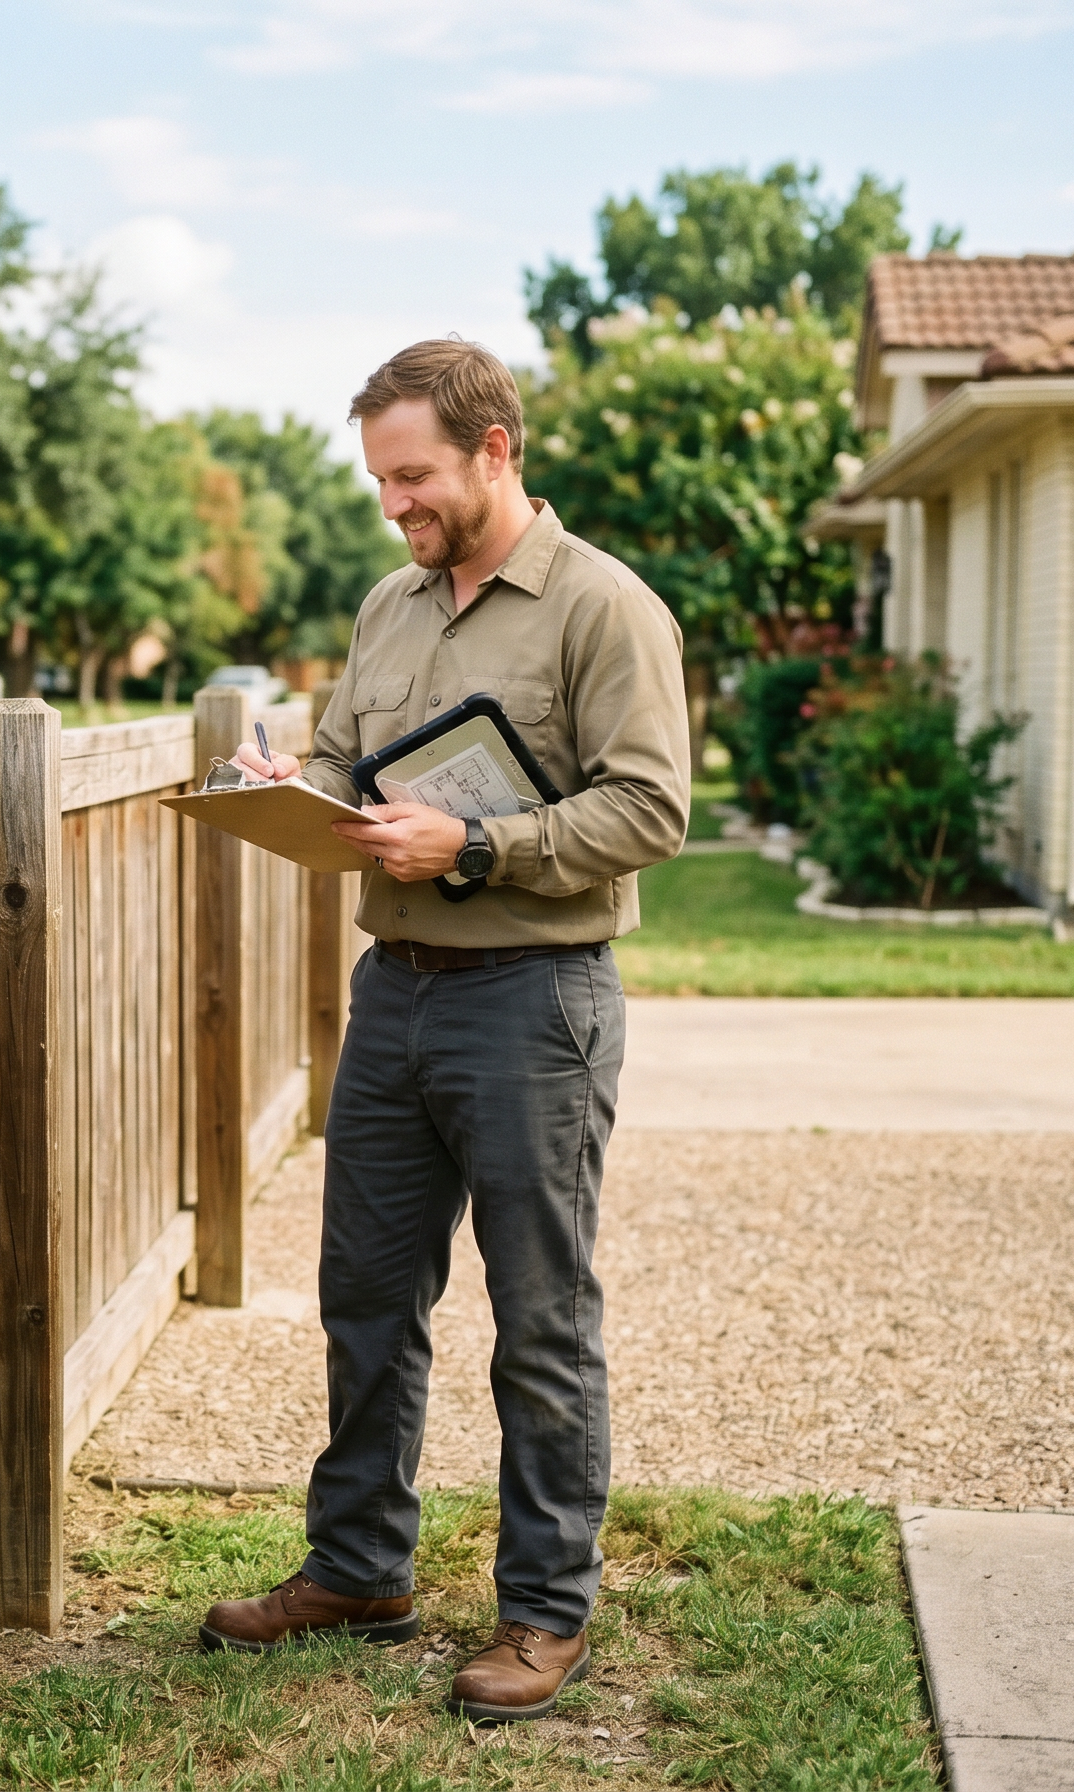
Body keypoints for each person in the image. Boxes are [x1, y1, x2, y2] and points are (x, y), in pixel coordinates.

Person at [201, 338, 689, 1722]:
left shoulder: (605, 609)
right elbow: (355, 759)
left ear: (494, 450)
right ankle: (358, 1567)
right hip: (395, 995)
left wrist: (471, 844)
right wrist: (295, 784)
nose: (392, 503)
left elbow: (650, 813)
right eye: (378, 479)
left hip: (534, 1000)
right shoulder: (390, 603)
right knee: (366, 1299)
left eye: (412, 475)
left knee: (539, 1318)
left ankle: (544, 1612)